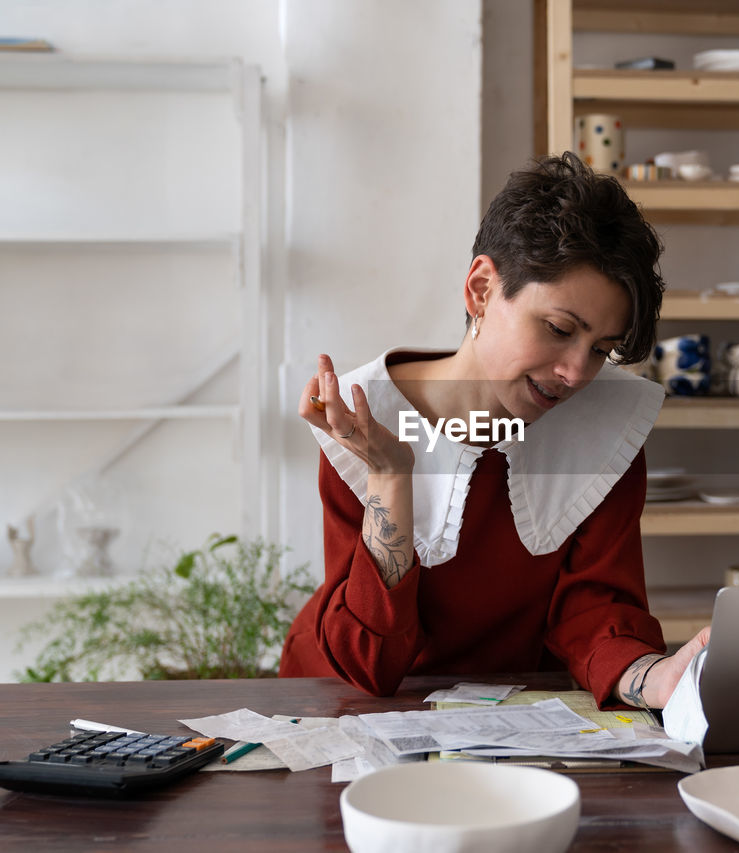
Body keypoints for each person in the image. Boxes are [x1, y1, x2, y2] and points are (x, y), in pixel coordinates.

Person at [280, 152, 709, 709]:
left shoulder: (606, 428)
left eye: (601, 349)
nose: (577, 373)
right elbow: (368, 664)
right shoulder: (365, 416)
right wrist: (390, 475)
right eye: (558, 329)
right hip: (343, 703)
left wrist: (655, 678)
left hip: (514, 712)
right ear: (481, 289)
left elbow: (596, 612)